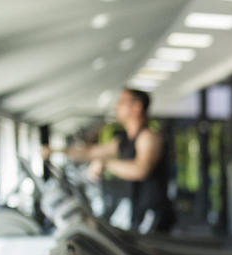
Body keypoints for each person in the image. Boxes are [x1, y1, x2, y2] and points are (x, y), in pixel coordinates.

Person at [44, 88, 173, 233]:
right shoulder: (124, 141)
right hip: (136, 213)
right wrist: (55, 150)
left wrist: (105, 163)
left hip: (151, 214)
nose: (116, 106)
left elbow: (141, 170)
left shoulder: (148, 137)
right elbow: (91, 152)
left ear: (137, 107)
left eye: (122, 102)